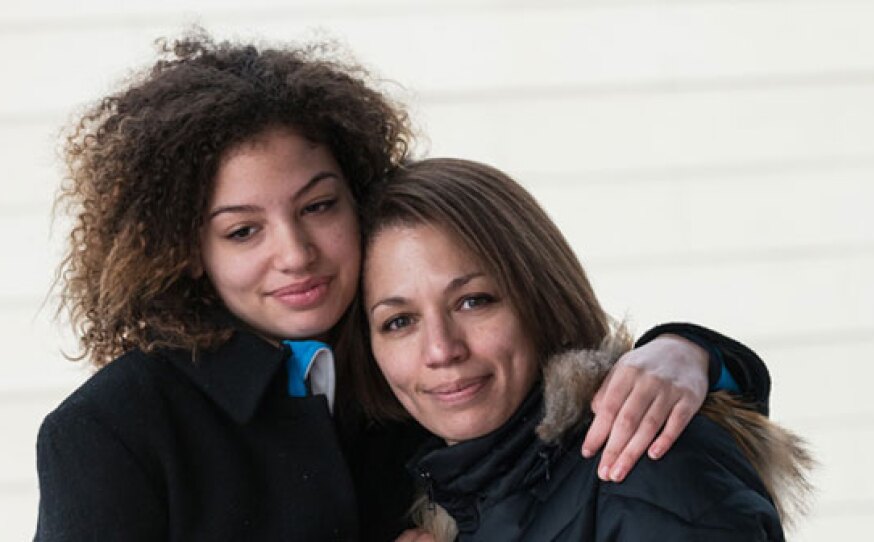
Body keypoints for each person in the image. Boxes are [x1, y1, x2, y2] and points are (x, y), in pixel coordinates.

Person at [36, 33, 773, 540]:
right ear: (186, 251)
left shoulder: (402, 382)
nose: (295, 254)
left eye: (319, 206)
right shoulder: (116, 428)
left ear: (356, 196)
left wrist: (693, 351)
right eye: (242, 231)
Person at [359, 158, 813, 541]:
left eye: (474, 301)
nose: (441, 349)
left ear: (541, 298)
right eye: (399, 322)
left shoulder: (645, 463)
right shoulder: (438, 495)